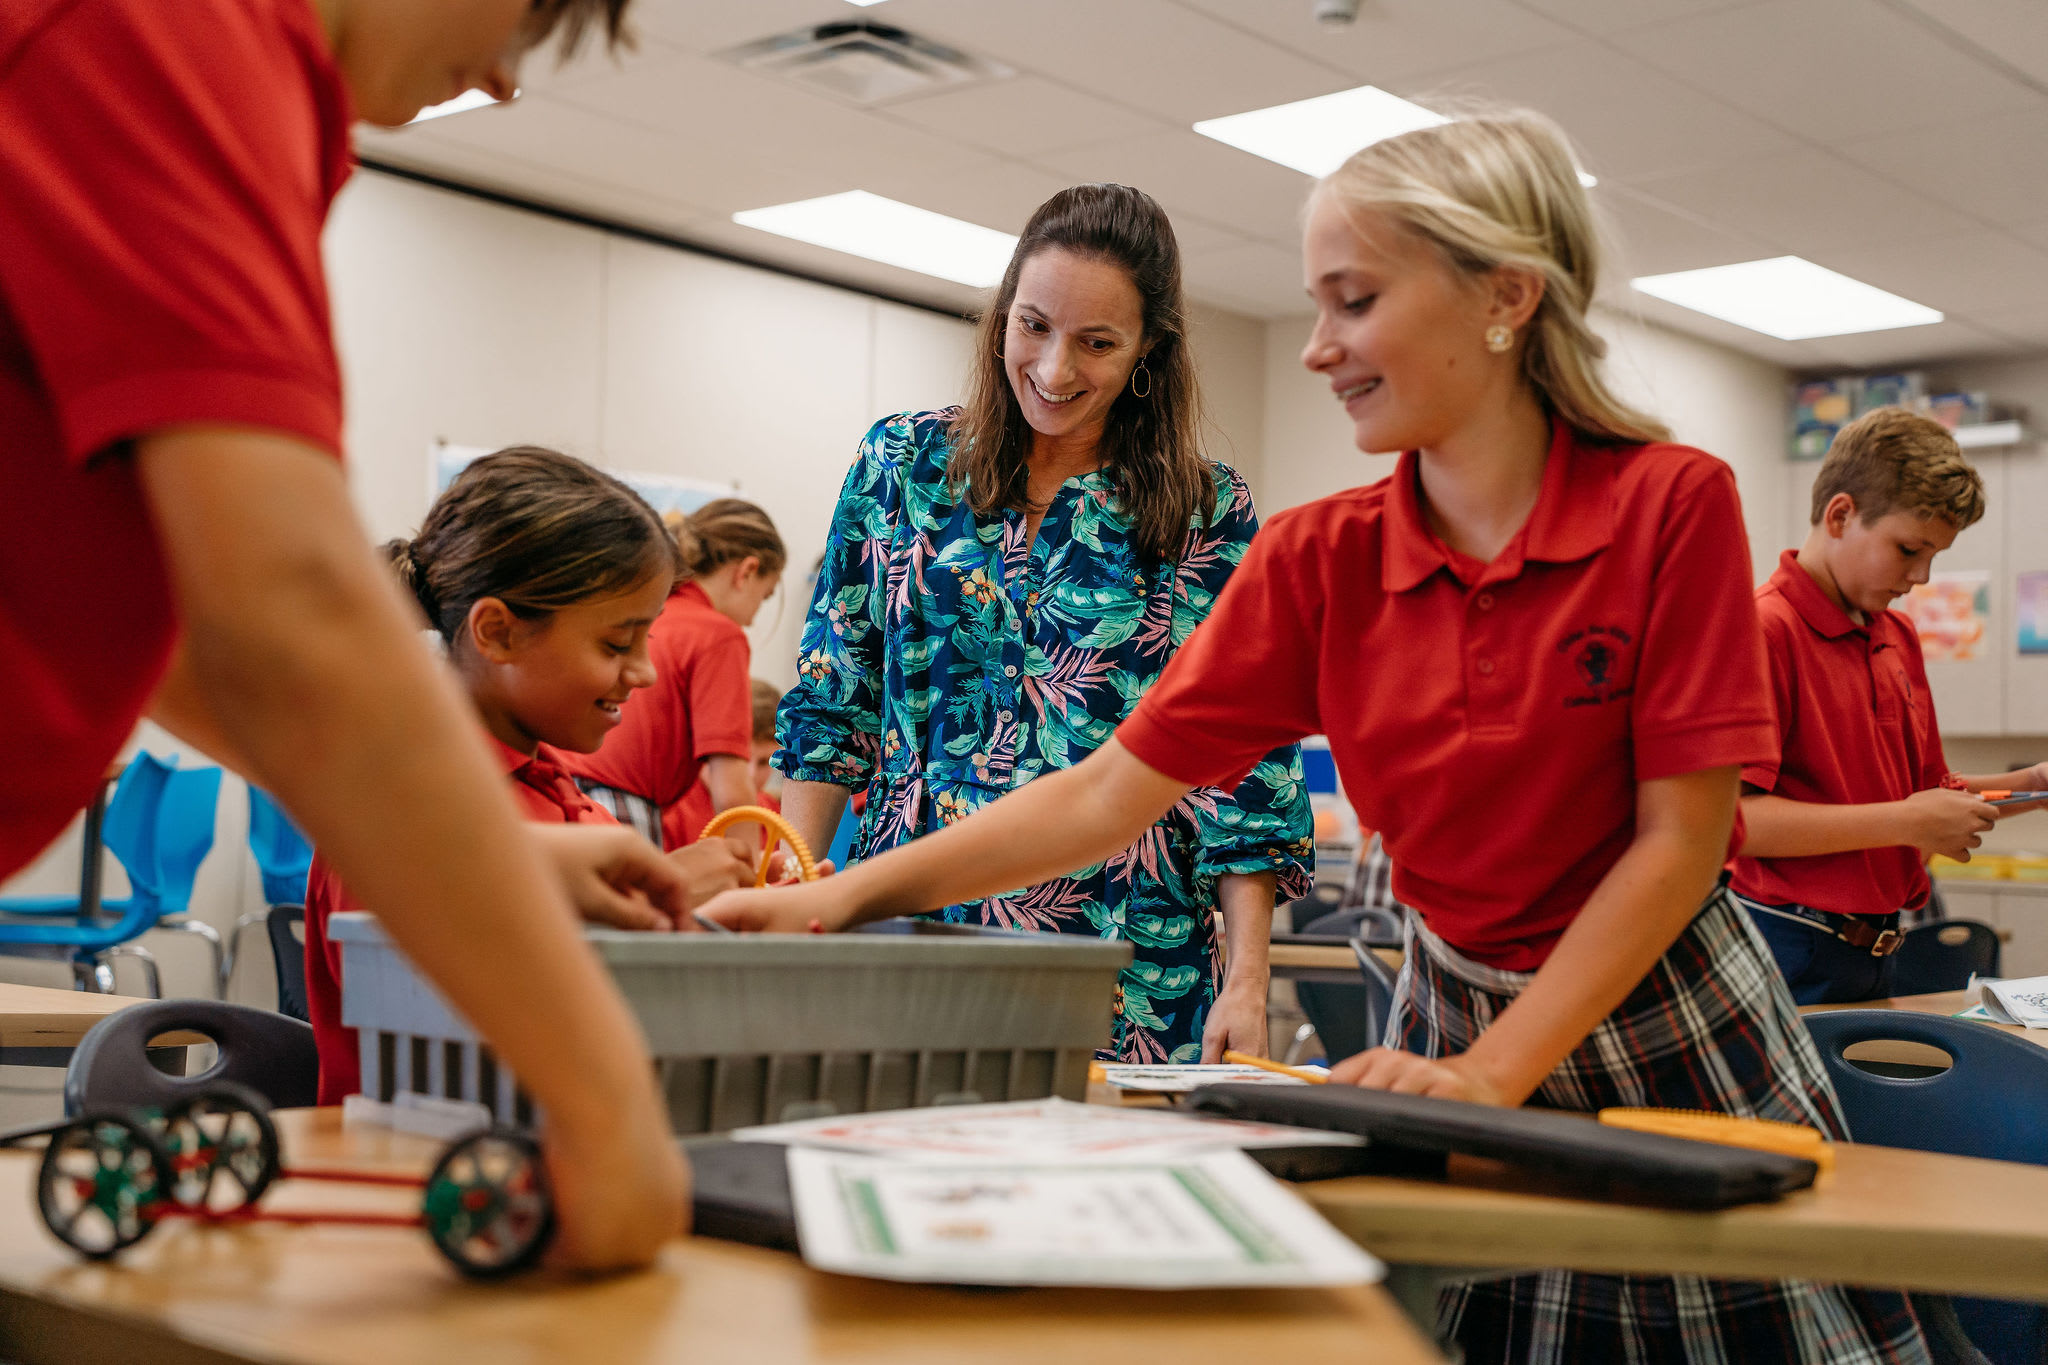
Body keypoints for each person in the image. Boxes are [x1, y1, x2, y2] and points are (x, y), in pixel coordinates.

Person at [702, 114, 1927, 1361]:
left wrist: (1494, 1076)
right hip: (1446, 1032)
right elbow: (1100, 798)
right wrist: (831, 902)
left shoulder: (1670, 503)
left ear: (1503, 297)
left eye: (1352, 303)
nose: (1316, 349)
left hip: (1662, 1018)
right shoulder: (1320, 555)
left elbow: (1683, 841)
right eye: (1313, 304)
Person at [0, 0, 693, 1270]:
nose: (496, 74)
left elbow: (186, 626)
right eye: (524, 17)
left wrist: (496, 857)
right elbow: (294, 622)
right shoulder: (158, 34)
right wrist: (604, 1111)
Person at [768, 184, 1313, 1066]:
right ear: (1001, 318)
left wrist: (1249, 980)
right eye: (1034, 326)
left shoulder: (1201, 512)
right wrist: (798, 885)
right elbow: (834, 699)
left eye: (1098, 343)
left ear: (1147, 353)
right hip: (912, 927)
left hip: (1125, 957)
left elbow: (1247, 767)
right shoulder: (902, 465)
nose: (1056, 371)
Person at [304, 446, 754, 1100]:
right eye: (614, 643)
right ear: (497, 632)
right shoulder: (398, 815)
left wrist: (731, 916)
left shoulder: (557, 791)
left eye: (644, 639)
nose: (645, 671)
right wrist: (662, 896)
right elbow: (448, 1038)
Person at [1733, 408, 2048, 1003]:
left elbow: (1931, 794)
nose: (1922, 575)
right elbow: (1733, 823)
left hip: (1878, 948)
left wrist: (2032, 785)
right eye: (1907, 549)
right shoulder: (1762, 630)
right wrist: (1907, 821)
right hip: (1785, 944)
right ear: (1841, 514)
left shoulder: (1895, 636)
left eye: (1935, 555)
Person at [568, 501, 784, 852]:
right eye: (766, 595)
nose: (752, 619)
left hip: (564, 792)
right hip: (620, 806)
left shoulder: (652, 610)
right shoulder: (718, 634)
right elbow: (730, 785)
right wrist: (753, 875)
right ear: (746, 571)